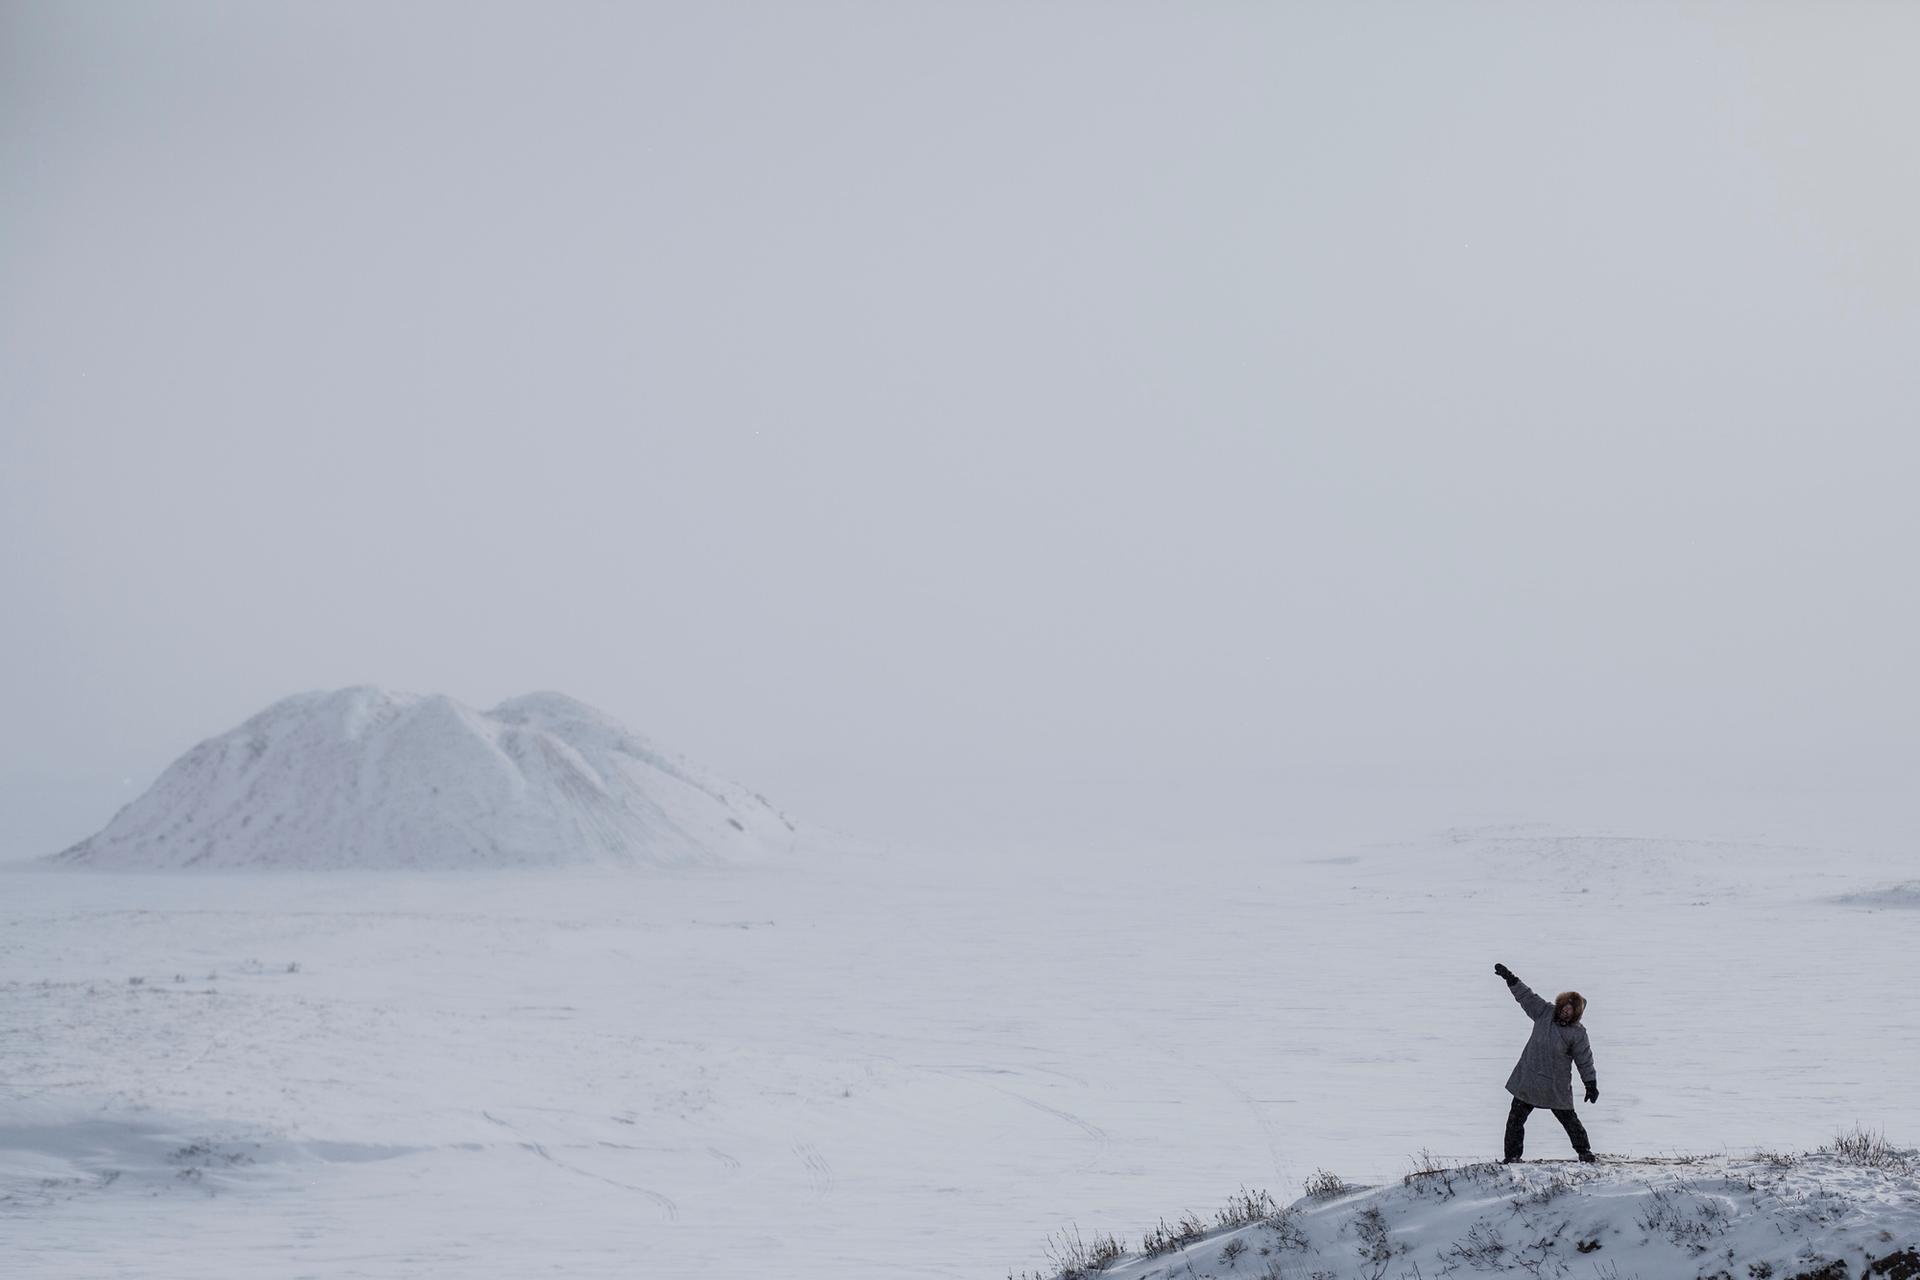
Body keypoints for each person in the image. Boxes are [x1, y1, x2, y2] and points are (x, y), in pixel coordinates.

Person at [1493, 962, 1599, 1163]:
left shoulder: (1577, 1033)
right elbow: (1526, 997)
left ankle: (1584, 1152)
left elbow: (1584, 1060)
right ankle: (1512, 1157)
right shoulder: (1544, 1012)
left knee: (1569, 1120)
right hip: (1529, 1078)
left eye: (1571, 1010)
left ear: (1576, 1014)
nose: (1565, 1012)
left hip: (1555, 1085)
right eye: (1564, 1007)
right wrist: (1511, 979)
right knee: (1515, 1119)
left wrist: (1590, 1084)